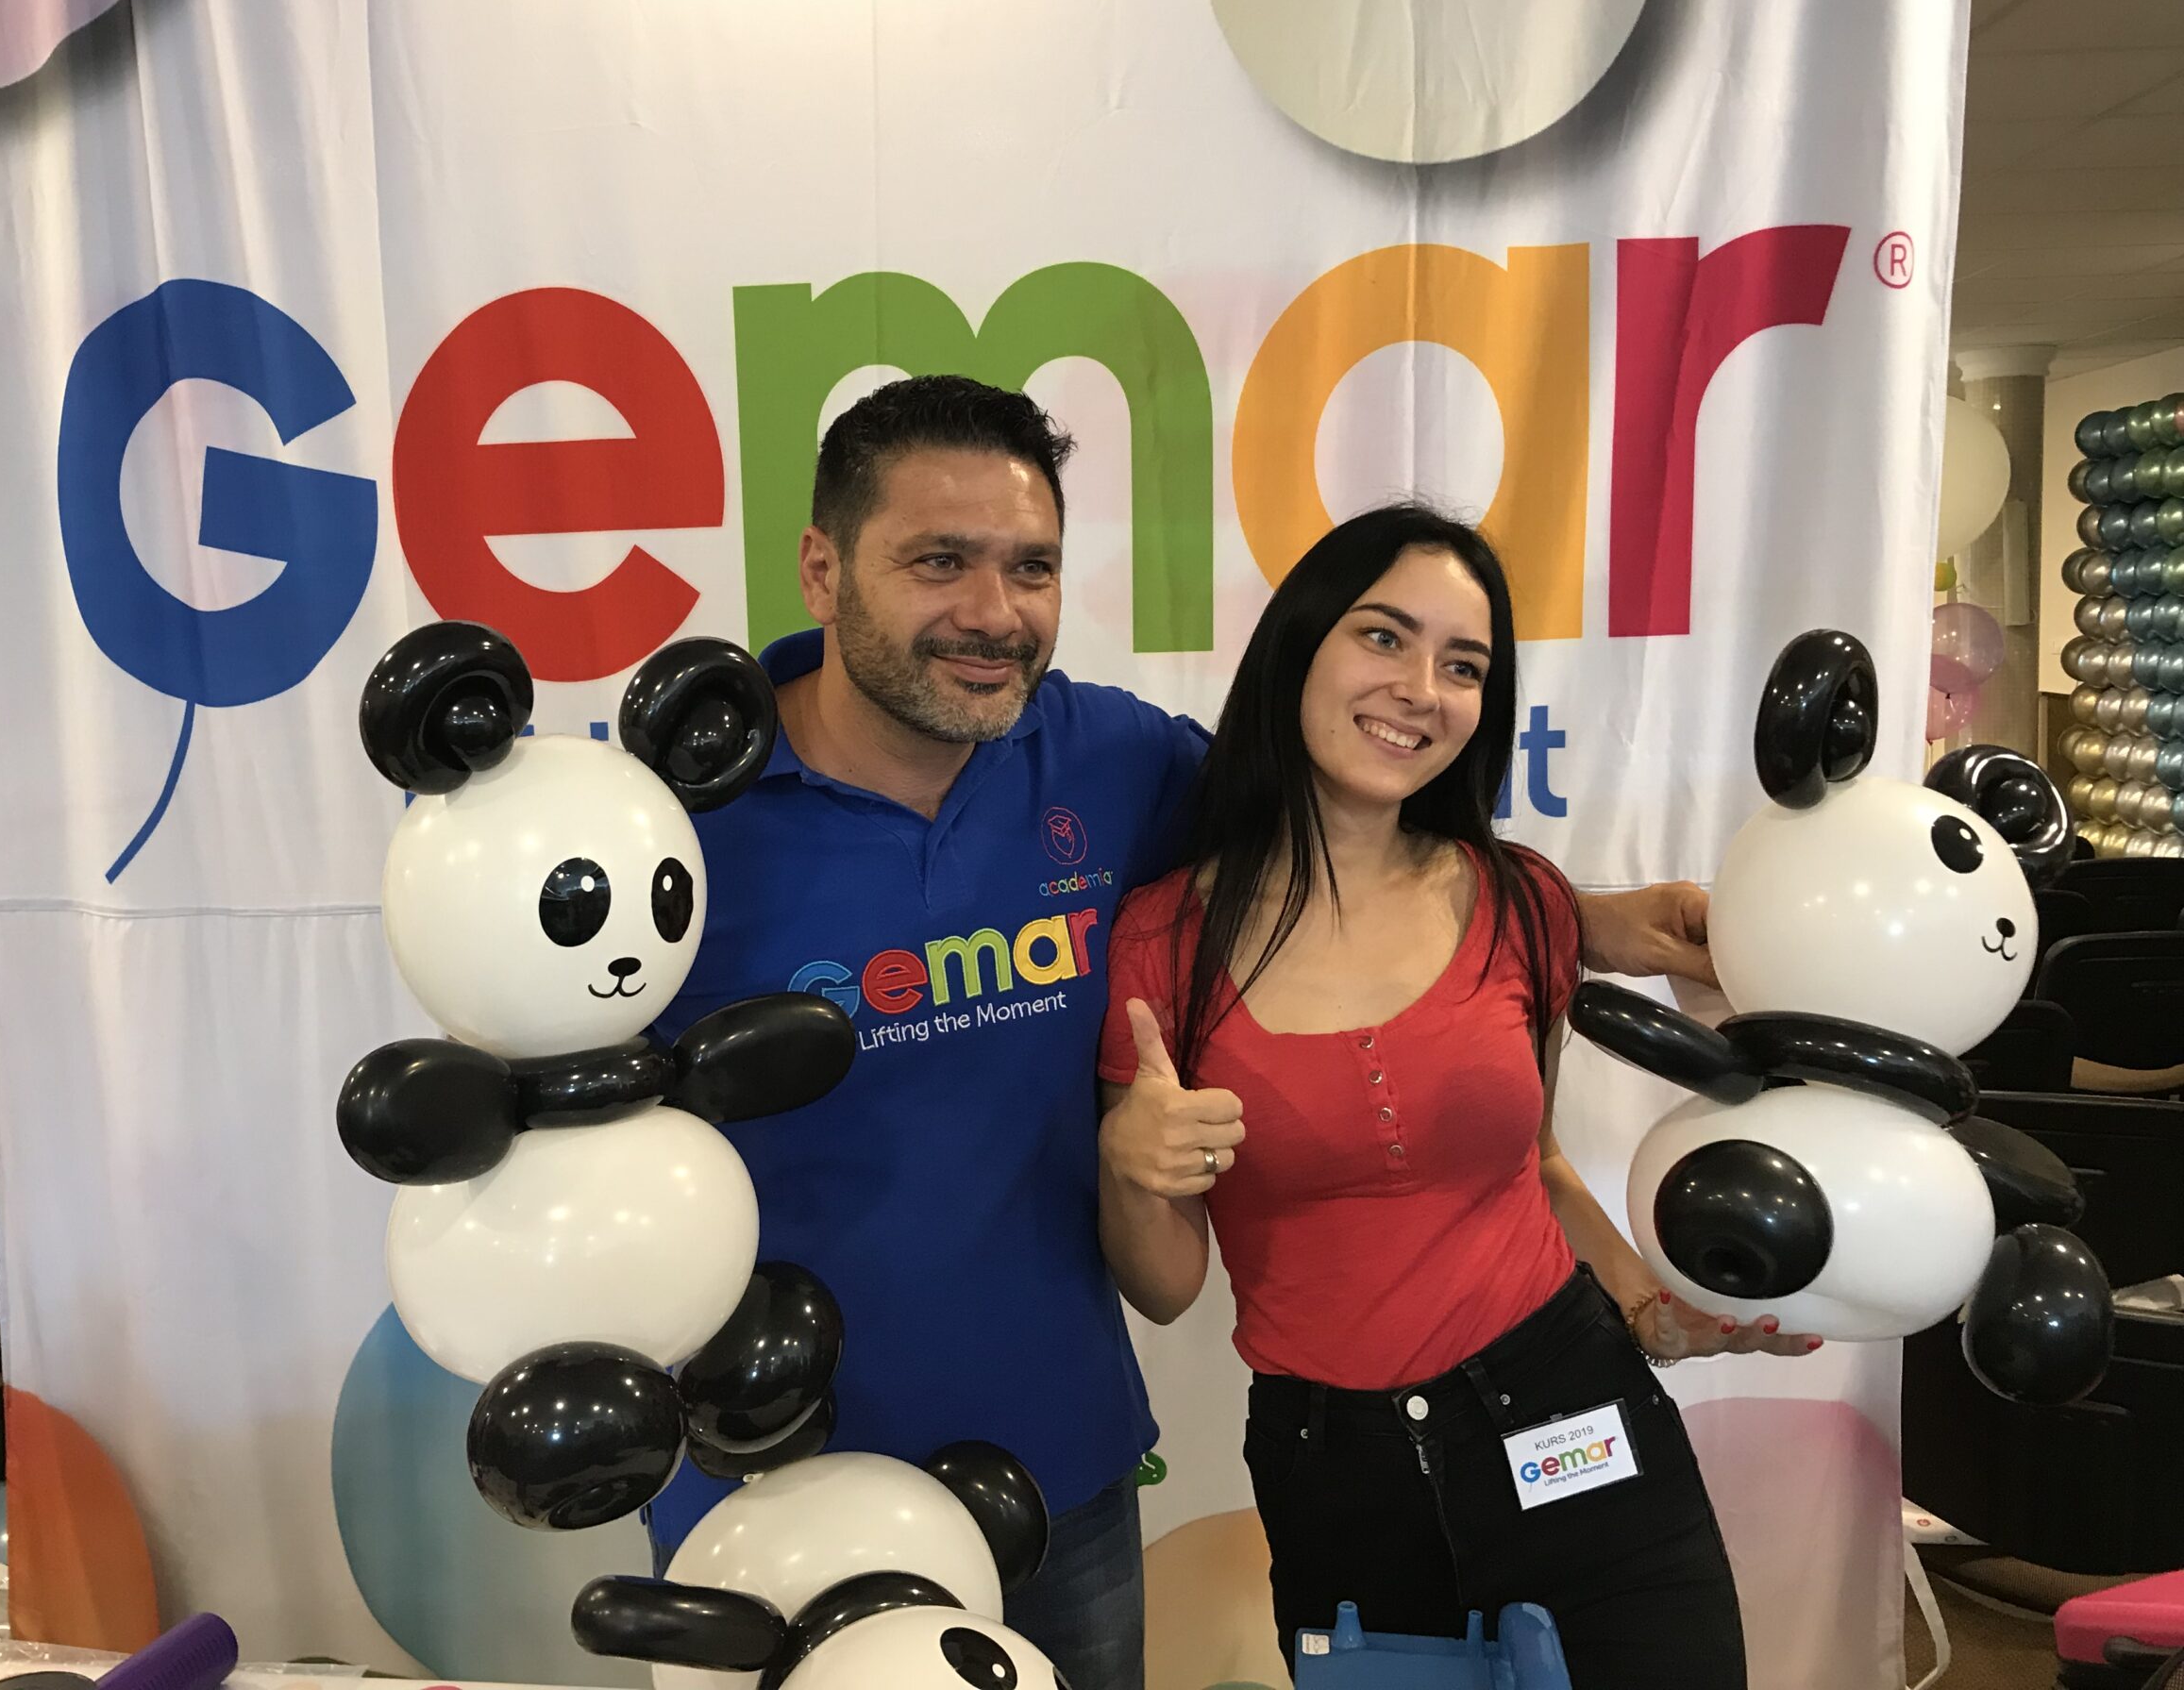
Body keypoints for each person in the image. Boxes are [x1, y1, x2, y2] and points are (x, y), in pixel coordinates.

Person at [647, 376, 1718, 1690]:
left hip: (1060, 1469)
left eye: (1031, 566)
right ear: (822, 570)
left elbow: (1332, 826)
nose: (992, 611)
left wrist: (1586, 919)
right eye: (938, 561)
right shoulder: (672, 827)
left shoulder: (1111, 760)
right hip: (770, 1475)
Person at [1095, 508, 1814, 1688]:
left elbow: (1538, 1166)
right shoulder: (1161, 942)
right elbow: (1166, 1285)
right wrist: (1130, 1162)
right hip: (1339, 1477)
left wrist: (1648, 1307)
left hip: (1572, 1416)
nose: (1420, 690)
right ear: (1301, 644)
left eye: (1464, 665)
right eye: (1383, 637)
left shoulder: (1519, 899)